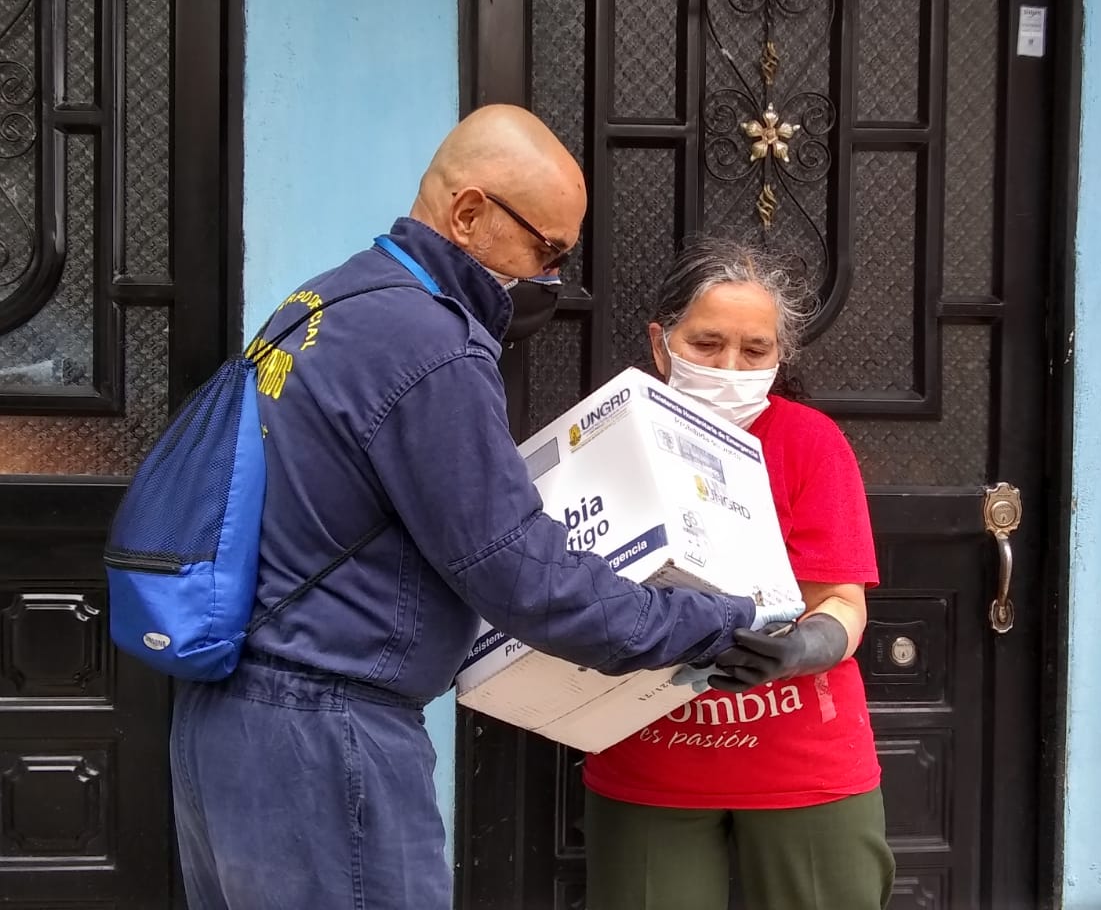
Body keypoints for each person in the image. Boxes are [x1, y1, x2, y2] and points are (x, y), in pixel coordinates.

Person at [168, 107, 799, 910]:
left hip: (226, 721)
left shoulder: (322, 302)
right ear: (469, 214)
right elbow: (520, 575)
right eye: (547, 251)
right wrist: (711, 622)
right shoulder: (431, 346)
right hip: (327, 739)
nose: (551, 280)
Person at [584, 237, 896, 910]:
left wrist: (796, 650)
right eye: (707, 344)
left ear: (780, 356)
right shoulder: (608, 433)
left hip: (804, 769)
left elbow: (842, 601)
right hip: (649, 761)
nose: (731, 367)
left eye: (755, 351)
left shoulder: (811, 444)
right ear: (661, 342)